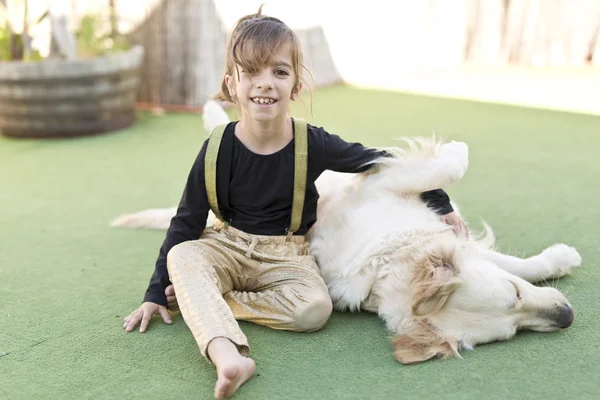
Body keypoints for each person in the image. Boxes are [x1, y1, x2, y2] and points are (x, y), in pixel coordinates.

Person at [123, 7, 467, 399]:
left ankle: (207, 297)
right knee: (183, 256)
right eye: (251, 72)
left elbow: (380, 161)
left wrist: (438, 198)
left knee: (315, 310)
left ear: (296, 85)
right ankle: (228, 358)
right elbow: (185, 222)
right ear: (231, 84)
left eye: (279, 72)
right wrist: (155, 293)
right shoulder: (216, 148)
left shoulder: (311, 143)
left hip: (287, 256)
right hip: (227, 244)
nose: (265, 83)